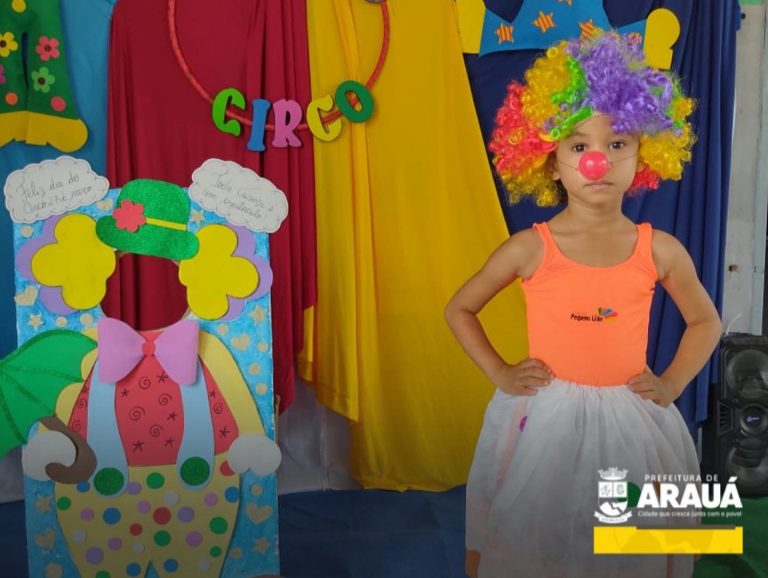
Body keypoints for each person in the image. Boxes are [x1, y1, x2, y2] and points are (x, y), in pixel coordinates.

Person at [444, 32, 722, 578]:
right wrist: (500, 371)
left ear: (645, 153)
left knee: (631, 541)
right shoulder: (529, 248)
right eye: (578, 147)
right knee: (539, 532)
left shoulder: (659, 249)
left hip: (631, 419)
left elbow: (705, 322)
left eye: (617, 144)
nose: (599, 161)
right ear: (549, 161)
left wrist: (671, 384)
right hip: (546, 420)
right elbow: (460, 308)